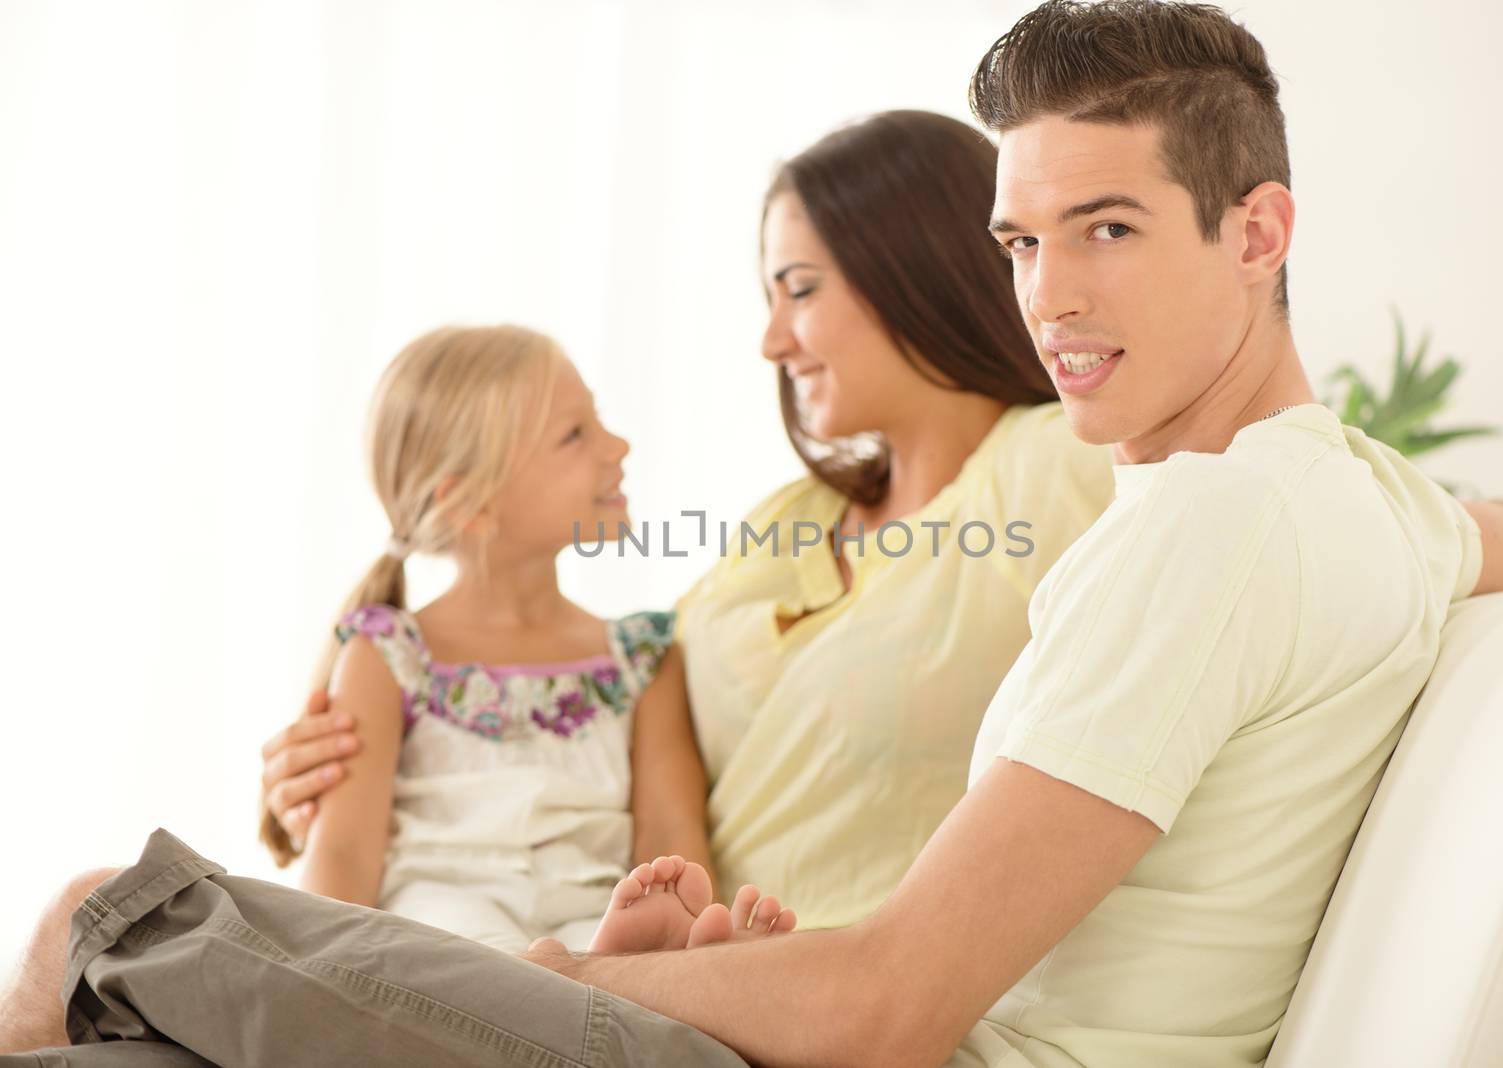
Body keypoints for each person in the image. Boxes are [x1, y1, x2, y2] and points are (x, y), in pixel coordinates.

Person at [5, 3, 1503, 1066]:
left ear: (1260, 231)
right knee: (123, 1021)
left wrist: (577, 976)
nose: (1048, 295)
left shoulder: (1200, 520)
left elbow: (896, 1002)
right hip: (741, 980)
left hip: (827, 1041)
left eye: (1106, 231)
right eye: (1024, 241)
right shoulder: (1365, 505)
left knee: (99, 919)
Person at [257, 109, 1117, 932]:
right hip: (665, 978)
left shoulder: (1059, 466)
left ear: (916, 269)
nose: (772, 342)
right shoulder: (793, 520)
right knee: (127, 907)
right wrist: (346, 776)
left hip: (762, 986)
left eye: (801, 290)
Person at [261, 321, 795, 952]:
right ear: (471, 506)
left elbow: (671, 831)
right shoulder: (388, 655)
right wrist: (308, 977)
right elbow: (344, 857)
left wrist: (680, 912)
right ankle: (574, 983)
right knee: (459, 934)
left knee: (603, 938)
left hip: (591, 911)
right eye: (575, 435)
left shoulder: (641, 658)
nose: (617, 446)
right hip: (438, 920)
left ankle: (613, 967)